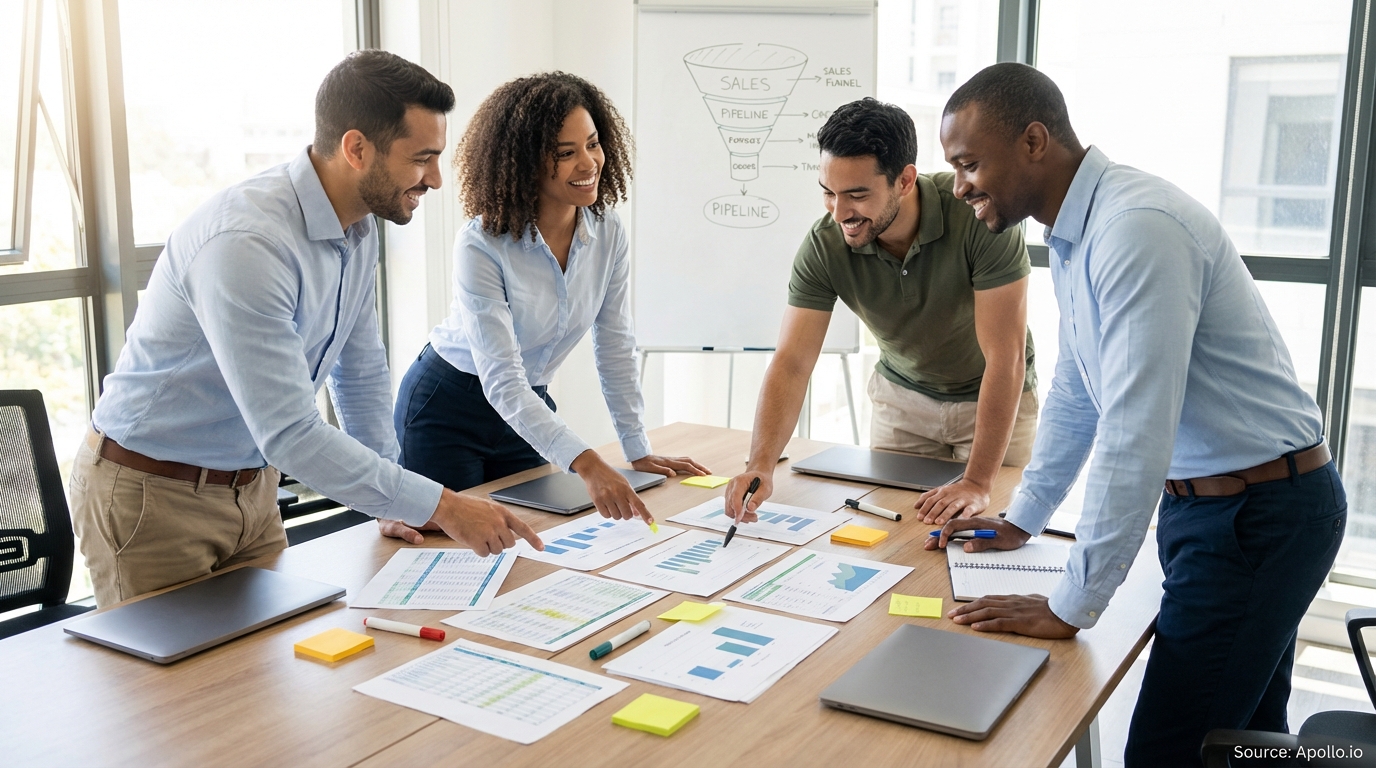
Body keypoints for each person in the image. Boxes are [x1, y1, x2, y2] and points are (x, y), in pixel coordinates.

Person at [930, 63, 1346, 767]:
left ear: (1034, 141)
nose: (960, 185)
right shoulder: (1076, 232)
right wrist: (1022, 517)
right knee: (1247, 737)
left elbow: (1133, 430)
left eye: (969, 163)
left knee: (1166, 752)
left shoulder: (1134, 228)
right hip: (1220, 509)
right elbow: (1077, 389)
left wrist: (1071, 604)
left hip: (1258, 516)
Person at [69, 51, 542, 608]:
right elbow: (291, 432)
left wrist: (394, 498)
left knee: (261, 681)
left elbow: (361, 376)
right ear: (356, 148)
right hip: (153, 495)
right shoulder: (249, 243)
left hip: (251, 489)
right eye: (422, 159)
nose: (436, 180)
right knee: (173, 694)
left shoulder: (357, 229)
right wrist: (441, 504)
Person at [383, 72, 707, 543]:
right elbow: (502, 379)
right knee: (449, 554)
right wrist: (589, 462)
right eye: (565, 152)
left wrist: (636, 450)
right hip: (446, 409)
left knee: (534, 543)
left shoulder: (607, 232)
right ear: (525, 162)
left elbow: (615, 345)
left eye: (593, 144)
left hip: (526, 410)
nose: (589, 162)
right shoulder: (481, 244)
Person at [725, 97, 1037, 526]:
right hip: (903, 404)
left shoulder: (975, 215)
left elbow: (1007, 359)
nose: (840, 213)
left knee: (989, 537)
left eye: (857, 195)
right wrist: (759, 464)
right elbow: (793, 361)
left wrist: (978, 482)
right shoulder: (825, 244)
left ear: (905, 180)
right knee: (897, 535)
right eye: (828, 194)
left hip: (994, 400)